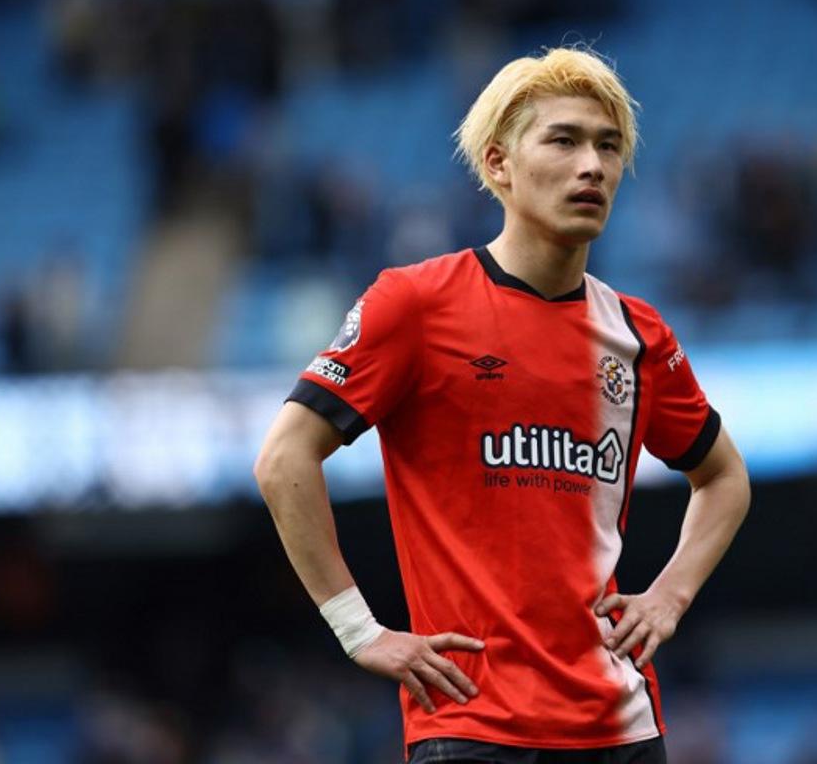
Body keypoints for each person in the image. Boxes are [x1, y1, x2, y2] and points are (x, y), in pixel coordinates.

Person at [254, 46, 751, 764]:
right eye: (564, 140)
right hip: (473, 728)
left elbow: (724, 477)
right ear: (498, 165)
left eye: (609, 147)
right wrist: (360, 630)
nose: (593, 166)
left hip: (623, 732)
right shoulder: (416, 304)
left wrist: (669, 596)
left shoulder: (638, 336)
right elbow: (283, 459)